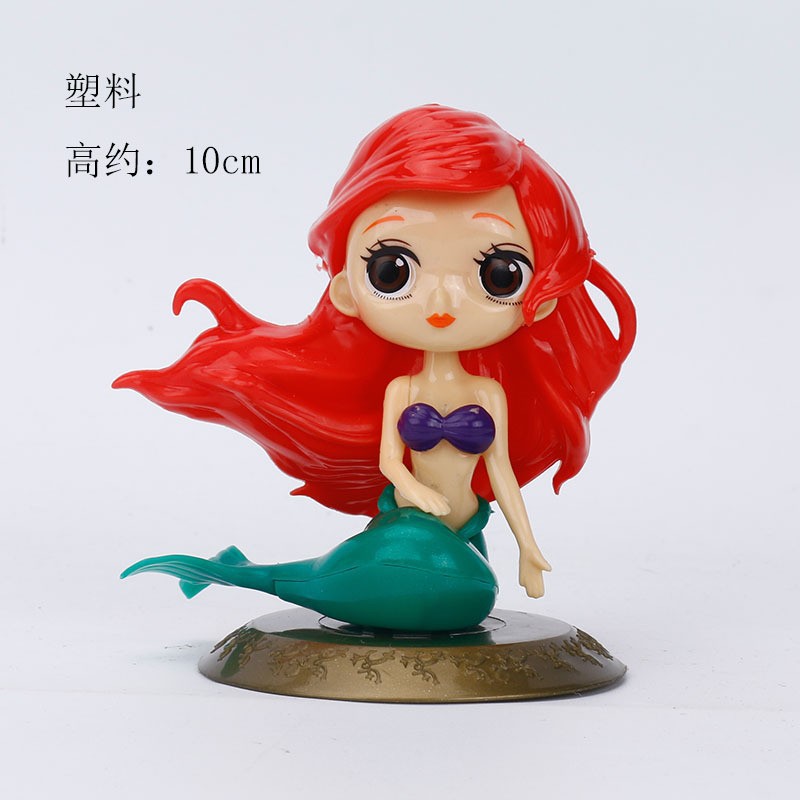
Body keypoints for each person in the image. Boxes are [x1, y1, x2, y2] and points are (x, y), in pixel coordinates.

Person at [117, 105, 635, 631]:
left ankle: (245, 571)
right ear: (346, 288)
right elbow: (391, 460)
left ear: (542, 299)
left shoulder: (487, 392)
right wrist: (416, 492)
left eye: (499, 274)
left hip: (466, 527)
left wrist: (527, 544)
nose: (441, 301)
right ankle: (241, 573)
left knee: (466, 590)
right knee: (459, 594)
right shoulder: (403, 389)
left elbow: (499, 470)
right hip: (408, 526)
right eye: (393, 271)